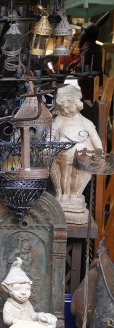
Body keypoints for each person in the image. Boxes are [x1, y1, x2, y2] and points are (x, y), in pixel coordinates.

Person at [50, 84, 102, 224]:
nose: (66, 110)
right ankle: (62, 195)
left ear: (77, 104)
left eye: (69, 106)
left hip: (80, 156)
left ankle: (75, 196)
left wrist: (99, 151)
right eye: (63, 108)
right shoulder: (59, 120)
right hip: (62, 155)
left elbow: (95, 138)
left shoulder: (85, 122)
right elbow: (51, 136)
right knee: (60, 162)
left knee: (78, 158)